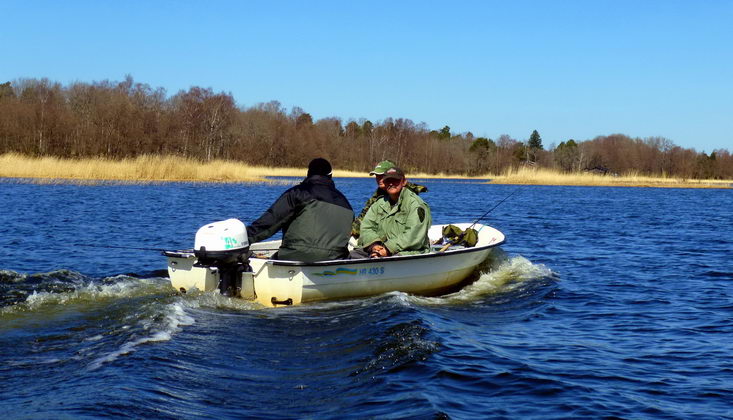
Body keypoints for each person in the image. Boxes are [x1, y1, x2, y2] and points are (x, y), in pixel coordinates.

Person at [246, 158, 354, 262]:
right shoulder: (345, 203)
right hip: (336, 258)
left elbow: (270, 223)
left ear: (308, 174)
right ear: (331, 176)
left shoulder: (297, 193)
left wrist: (245, 237)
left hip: (296, 255)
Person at [356, 166, 432, 258]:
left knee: (395, 257)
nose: (391, 184)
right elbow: (366, 227)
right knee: (351, 255)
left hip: (408, 252)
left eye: (395, 180)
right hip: (379, 250)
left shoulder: (415, 205)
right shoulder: (379, 203)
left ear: (404, 182)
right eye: (388, 180)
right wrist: (374, 246)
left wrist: (388, 249)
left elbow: (413, 236)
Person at [351, 160, 428, 238]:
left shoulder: (408, 196)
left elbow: (412, 232)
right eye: (376, 176)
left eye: (382, 175)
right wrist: (352, 230)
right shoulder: (378, 196)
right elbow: (364, 218)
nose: (379, 179)